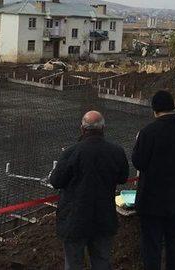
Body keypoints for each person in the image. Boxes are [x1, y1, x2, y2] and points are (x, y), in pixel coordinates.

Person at [50, 111, 130, 270]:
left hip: (75, 220)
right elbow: (123, 178)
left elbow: (56, 181)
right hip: (103, 218)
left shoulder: (72, 152)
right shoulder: (116, 151)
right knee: (102, 262)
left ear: (82, 128)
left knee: (74, 264)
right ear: (103, 128)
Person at [132, 90, 175, 270]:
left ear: (155, 109)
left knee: (152, 246)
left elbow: (139, 162)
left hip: (152, 199)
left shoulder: (148, 132)